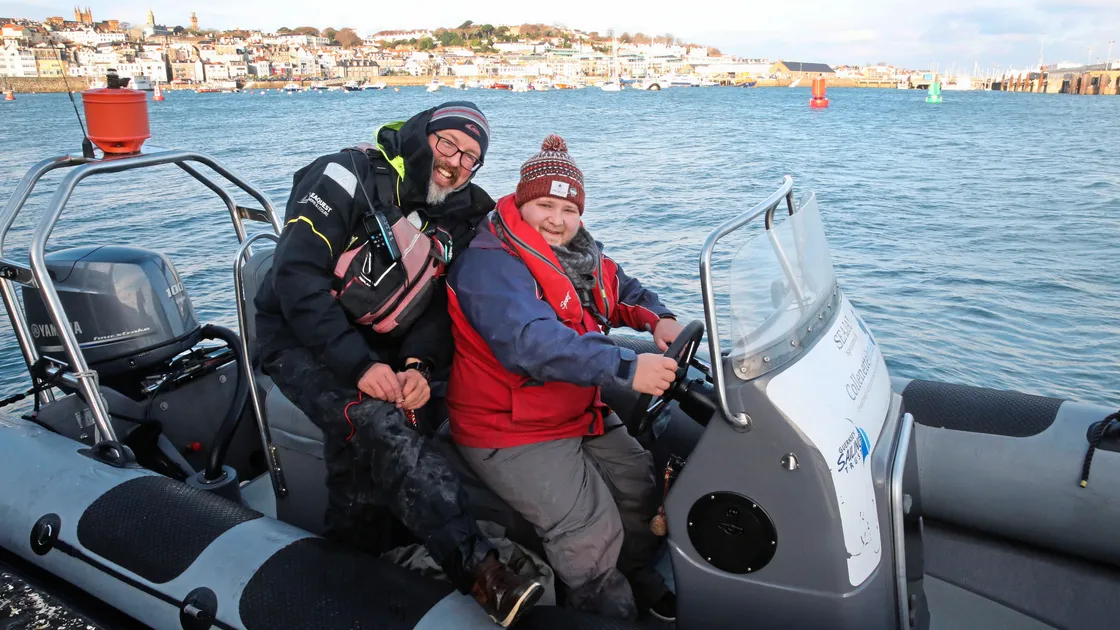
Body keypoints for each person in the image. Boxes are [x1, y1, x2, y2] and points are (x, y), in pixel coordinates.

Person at [254, 102, 542, 628]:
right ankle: (482, 572)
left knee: (382, 439)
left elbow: (433, 304)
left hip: (379, 341)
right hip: (297, 338)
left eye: (471, 158)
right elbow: (296, 278)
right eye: (448, 144)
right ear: (421, 135)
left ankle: (350, 564)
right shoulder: (344, 176)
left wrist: (418, 364)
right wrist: (360, 366)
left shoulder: (455, 213)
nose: (456, 163)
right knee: (376, 419)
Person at [445, 134, 682, 621]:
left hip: (573, 407)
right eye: (545, 206)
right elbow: (530, 343)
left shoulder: (578, 253)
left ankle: (635, 578)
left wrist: (657, 318)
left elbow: (623, 289)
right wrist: (625, 368)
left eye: (569, 210)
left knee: (640, 486)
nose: (557, 220)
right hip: (509, 426)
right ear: (521, 201)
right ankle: (602, 612)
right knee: (589, 531)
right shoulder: (489, 263)